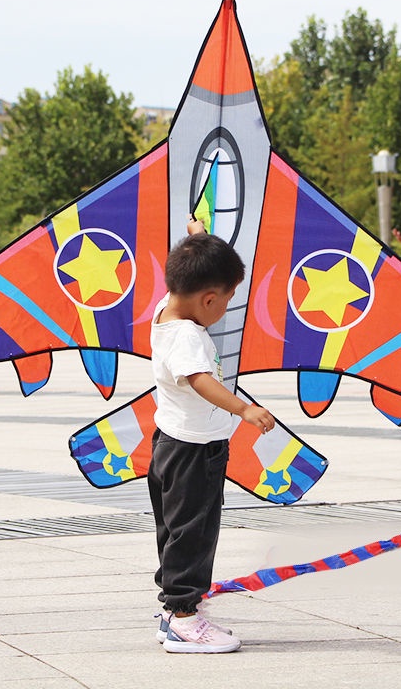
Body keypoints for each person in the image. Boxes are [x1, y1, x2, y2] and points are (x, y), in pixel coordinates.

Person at [148, 218, 275, 654]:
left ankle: (172, 610)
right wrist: (245, 409)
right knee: (194, 532)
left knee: (175, 528)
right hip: (194, 451)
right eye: (226, 299)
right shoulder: (187, 337)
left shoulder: (168, 307)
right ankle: (184, 619)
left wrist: (198, 235)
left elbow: (189, 270)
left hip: (169, 444)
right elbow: (201, 380)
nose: (226, 306)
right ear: (207, 298)